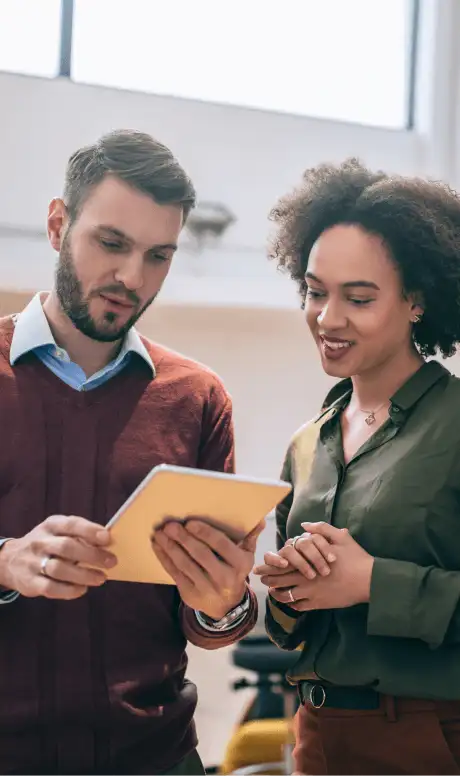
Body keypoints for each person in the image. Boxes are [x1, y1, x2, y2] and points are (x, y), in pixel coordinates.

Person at [0, 129, 262, 776]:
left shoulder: (198, 399)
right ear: (59, 225)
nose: (131, 278)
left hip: (156, 758)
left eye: (159, 256)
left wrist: (223, 600)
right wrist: (5, 563)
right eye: (111, 244)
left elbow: (209, 625)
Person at [254, 158, 460, 776]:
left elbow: (367, 583)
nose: (327, 318)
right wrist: (288, 593)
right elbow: (290, 630)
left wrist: (374, 582)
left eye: (359, 298)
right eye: (315, 292)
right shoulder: (305, 445)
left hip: (432, 736)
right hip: (317, 733)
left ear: (417, 301)